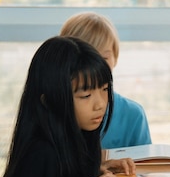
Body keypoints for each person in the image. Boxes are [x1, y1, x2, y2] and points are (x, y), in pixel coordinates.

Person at [0, 36, 134, 177]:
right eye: (85, 95)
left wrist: (94, 169)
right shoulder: (41, 152)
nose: (100, 104)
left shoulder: (77, 135)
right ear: (48, 101)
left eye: (104, 89)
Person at [60, 12, 152, 149]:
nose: (96, 67)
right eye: (87, 59)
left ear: (115, 58)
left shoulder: (133, 114)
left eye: (104, 58)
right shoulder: (55, 112)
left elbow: (146, 166)